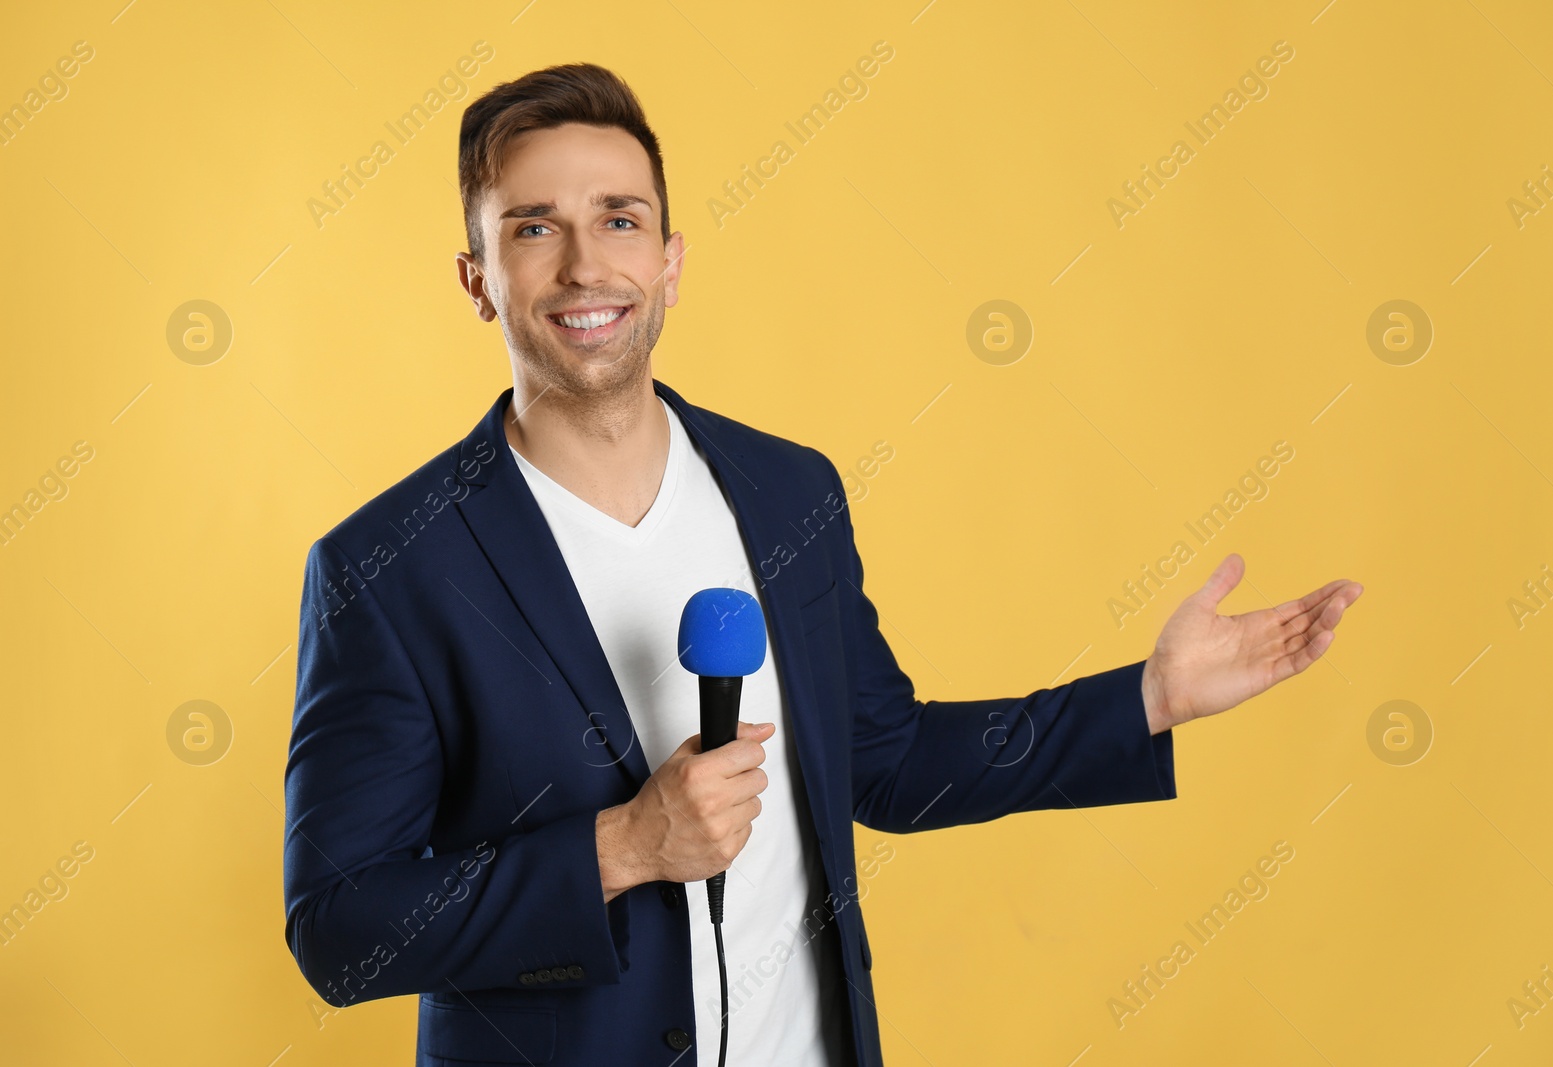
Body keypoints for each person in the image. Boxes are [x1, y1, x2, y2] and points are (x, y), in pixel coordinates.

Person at [282, 62, 1364, 1067]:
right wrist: (621, 845)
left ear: (669, 260)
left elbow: (881, 758)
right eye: (532, 228)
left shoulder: (786, 490)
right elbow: (339, 927)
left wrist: (1148, 697)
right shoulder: (387, 567)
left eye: (620, 218)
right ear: (477, 278)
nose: (584, 264)